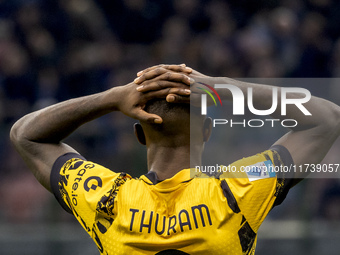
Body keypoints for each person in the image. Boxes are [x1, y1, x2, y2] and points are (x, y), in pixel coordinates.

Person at [10, 64, 340, 255]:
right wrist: (222, 88)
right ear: (207, 131)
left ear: (140, 136)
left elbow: (25, 134)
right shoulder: (240, 187)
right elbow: (326, 118)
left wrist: (111, 98)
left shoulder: (105, 196)